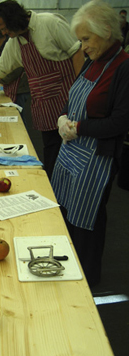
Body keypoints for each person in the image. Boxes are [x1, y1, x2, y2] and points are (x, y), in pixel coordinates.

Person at [51, 1, 129, 287]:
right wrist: (63, 116)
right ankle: (69, 268)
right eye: (81, 40)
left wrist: (79, 127)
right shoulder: (92, 61)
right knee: (69, 217)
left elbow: (121, 121)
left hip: (97, 158)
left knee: (88, 224)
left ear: (107, 31)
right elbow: (75, 97)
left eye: (86, 38)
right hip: (72, 152)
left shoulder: (123, 67)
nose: (82, 46)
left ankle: (87, 283)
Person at [0, 0, 84, 179]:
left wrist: (79, 91)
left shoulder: (49, 23)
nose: (3, 33)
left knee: (70, 149)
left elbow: (76, 51)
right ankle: (54, 187)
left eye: (3, 28)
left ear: (15, 19)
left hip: (66, 97)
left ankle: (68, 191)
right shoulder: (14, 42)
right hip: (44, 103)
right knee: (51, 148)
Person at [0, 25, 30, 127]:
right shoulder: (4, 47)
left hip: (20, 87)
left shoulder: (11, 46)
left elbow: (14, 71)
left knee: (18, 116)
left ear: (2, 37)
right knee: (16, 114)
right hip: (17, 85)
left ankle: (22, 134)